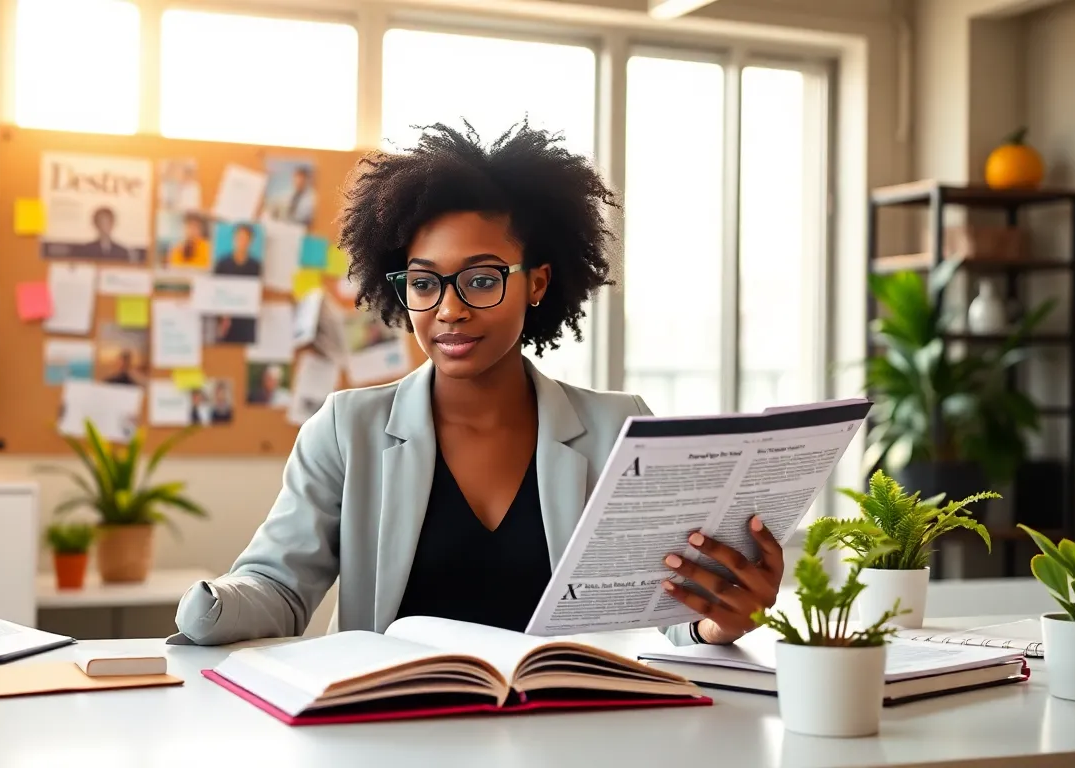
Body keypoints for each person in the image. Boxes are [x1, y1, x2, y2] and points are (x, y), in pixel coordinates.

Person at [174, 120, 783, 647]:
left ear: (537, 283)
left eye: (482, 280)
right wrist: (217, 603)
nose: (449, 310)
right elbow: (279, 587)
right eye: (424, 282)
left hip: (570, 732)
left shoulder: (619, 428)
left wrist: (720, 619)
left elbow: (674, 612)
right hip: (389, 731)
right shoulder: (345, 429)